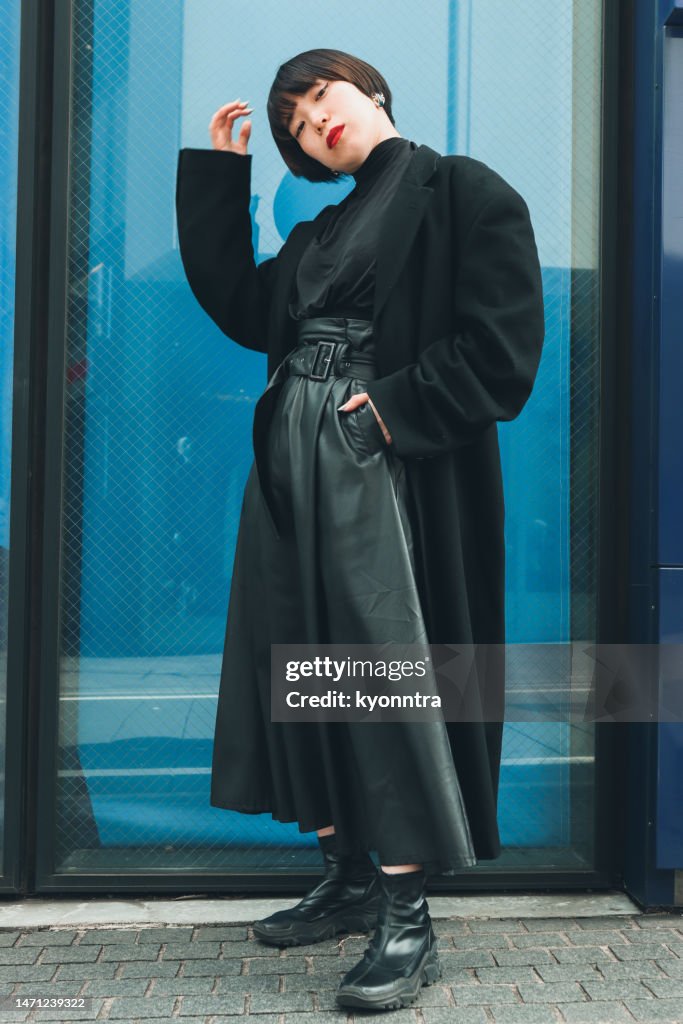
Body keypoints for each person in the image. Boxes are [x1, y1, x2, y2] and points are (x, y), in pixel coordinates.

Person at [175, 48, 545, 1012]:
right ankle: (345, 874)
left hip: (385, 470)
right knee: (299, 661)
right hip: (291, 470)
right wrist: (220, 176)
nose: (313, 119)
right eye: (294, 120)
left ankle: (407, 913)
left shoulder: (461, 192)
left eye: (321, 94)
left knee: (383, 670)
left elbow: (501, 356)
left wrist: (379, 415)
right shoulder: (324, 229)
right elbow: (242, 307)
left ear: (369, 91)